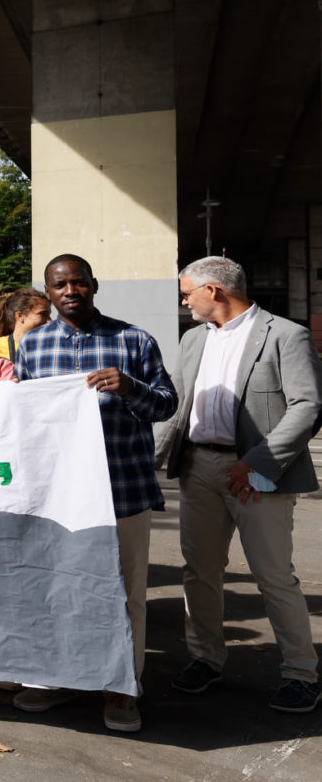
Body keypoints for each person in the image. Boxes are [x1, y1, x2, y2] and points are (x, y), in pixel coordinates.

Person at [11, 254, 177, 733]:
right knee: (57, 589)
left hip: (123, 489)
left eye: (79, 283)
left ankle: (122, 687)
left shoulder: (134, 340)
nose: (70, 291)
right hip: (57, 496)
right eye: (60, 285)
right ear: (48, 292)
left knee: (126, 595)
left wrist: (130, 388)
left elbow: (167, 405)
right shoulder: (33, 345)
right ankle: (56, 678)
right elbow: (22, 413)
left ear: (94, 285)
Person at [158, 257, 321, 714]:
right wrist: (147, 459)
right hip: (197, 468)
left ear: (214, 290)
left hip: (257, 473)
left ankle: (301, 674)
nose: (184, 301)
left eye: (187, 292)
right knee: (200, 571)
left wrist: (257, 463)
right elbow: (177, 405)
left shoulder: (285, 335)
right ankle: (205, 659)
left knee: (274, 576)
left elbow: (307, 406)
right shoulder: (193, 339)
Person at [0, 288, 51, 361]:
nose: (49, 321)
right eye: (43, 314)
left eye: (49, 315)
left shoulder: (52, 347)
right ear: (20, 316)